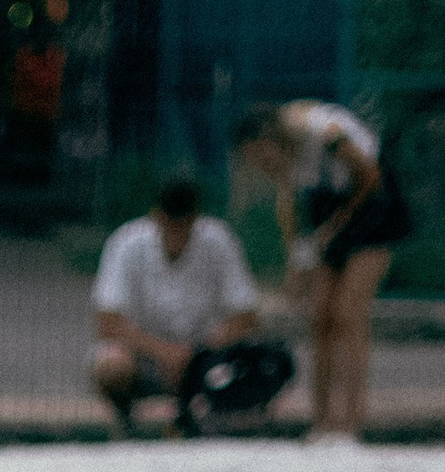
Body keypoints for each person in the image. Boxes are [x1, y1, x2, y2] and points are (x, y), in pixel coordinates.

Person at [238, 99, 414, 440]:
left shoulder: (324, 133)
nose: (260, 166)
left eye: (260, 156)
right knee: (320, 316)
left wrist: (336, 226)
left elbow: (371, 177)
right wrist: (297, 264)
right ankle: (322, 421)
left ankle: (352, 421)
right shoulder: (287, 155)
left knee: (348, 312)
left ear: (269, 141)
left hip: (373, 203)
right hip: (331, 206)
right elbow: (289, 208)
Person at [91, 174, 267, 434]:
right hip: (146, 355)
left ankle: (216, 419)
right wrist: (165, 353)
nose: (176, 234)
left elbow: (247, 316)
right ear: (155, 217)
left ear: (195, 219)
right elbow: (108, 324)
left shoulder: (218, 240)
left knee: (261, 360)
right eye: (169, 225)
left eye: (183, 226)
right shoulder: (126, 243)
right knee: (111, 366)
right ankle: (126, 423)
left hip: (203, 354)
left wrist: (195, 353)